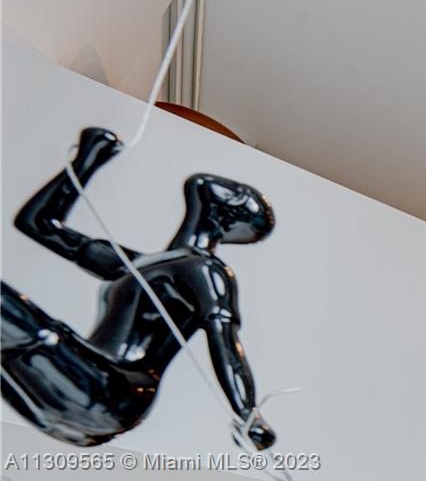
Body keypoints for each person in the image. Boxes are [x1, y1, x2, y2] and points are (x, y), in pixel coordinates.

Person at [2, 126, 277, 449]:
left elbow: (226, 347)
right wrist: (88, 159)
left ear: (228, 218)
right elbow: (40, 225)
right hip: (85, 370)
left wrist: (248, 414)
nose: (227, 185)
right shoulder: (138, 265)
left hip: (113, 391)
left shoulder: (206, 271)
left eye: (238, 194)